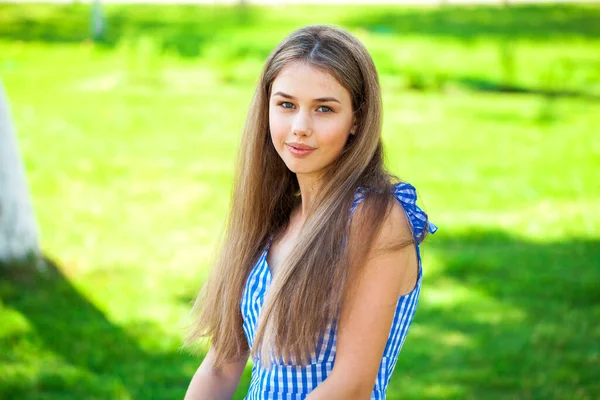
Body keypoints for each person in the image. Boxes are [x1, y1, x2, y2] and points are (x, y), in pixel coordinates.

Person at [184, 24, 437, 400]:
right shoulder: (271, 217)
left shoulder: (375, 219)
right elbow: (221, 366)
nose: (300, 127)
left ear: (356, 120)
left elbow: (350, 387)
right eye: (286, 105)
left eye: (324, 109)